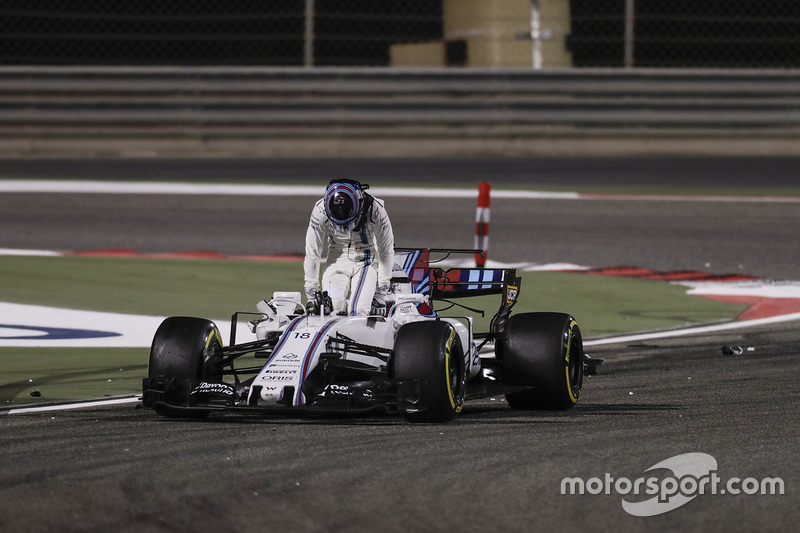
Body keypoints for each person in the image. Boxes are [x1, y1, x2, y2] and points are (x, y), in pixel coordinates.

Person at [304, 179, 395, 316]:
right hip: (336, 261)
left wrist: (381, 291)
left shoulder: (375, 208)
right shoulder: (320, 210)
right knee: (333, 309)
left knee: (358, 310)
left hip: (366, 261)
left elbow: (386, 249)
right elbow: (312, 251)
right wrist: (312, 291)